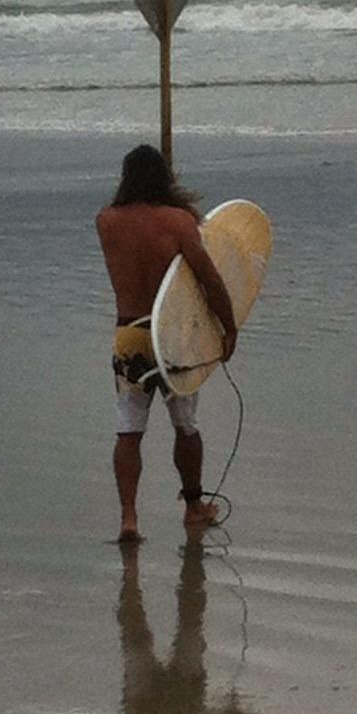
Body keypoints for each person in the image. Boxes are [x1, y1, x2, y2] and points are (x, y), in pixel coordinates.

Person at [96, 145, 238, 543]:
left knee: (128, 430)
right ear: (165, 177)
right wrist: (229, 327)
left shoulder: (105, 221)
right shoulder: (178, 221)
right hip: (175, 339)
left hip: (130, 335)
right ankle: (193, 507)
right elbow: (209, 280)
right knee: (186, 426)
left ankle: (129, 518)